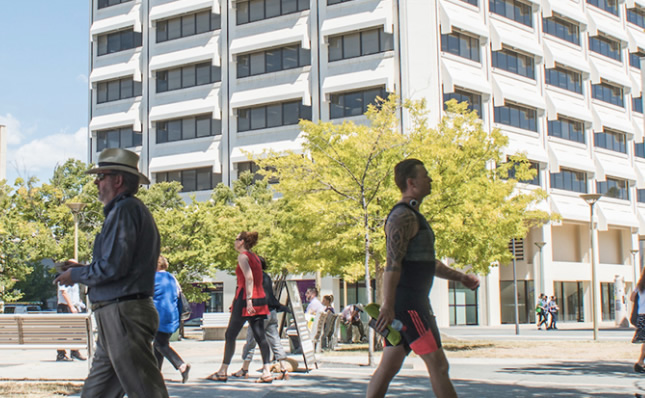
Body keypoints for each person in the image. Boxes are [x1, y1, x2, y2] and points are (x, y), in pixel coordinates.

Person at [54, 148, 168, 398]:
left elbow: (113, 267)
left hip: (122, 314)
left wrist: (75, 275)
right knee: (97, 393)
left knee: (145, 391)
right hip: (118, 314)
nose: (96, 181)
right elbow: (117, 265)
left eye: (101, 175)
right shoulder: (128, 210)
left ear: (117, 181)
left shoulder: (125, 210)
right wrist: (82, 270)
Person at [367, 158, 480, 398]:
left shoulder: (414, 216)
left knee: (389, 366)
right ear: (411, 183)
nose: (430, 179)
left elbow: (428, 263)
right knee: (438, 365)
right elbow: (392, 263)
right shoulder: (402, 217)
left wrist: (461, 278)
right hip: (410, 306)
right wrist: (387, 305)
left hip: (413, 303)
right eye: (425, 175)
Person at [207, 231, 274, 383]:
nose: (234, 242)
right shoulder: (255, 257)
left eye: (236, 239)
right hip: (259, 298)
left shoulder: (243, 257)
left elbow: (248, 277)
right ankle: (266, 371)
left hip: (245, 300)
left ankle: (223, 371)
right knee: (260, 336)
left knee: (230, 335)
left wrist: (248, 300)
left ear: (242, 241)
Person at [232, 256, 291, 381]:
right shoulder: (267, 277)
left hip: (259, 313)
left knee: (251, 341)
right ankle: (284, 369)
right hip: (272, 312)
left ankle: (245, 369)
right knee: (275, 340)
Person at [153, 256, 191, 383]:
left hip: (159, 316)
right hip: (172, 316)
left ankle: (181, 366)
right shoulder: (171, 277)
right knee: (159, 344)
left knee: (160, 344)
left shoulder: (153, 278)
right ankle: (156, 374)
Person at [55, 278, 87, 362]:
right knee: (64, 331)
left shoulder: (75, 279)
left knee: (76, 330)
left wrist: (79, 304)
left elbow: (74, 295)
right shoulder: (63, 278)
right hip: (65, 306)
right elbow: (64, 292)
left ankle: (74, 351)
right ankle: (61, 354)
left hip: (74, 306)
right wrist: (71, 306)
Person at [632, 270, 645, 373]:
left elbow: (632, 297)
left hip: (641, 315)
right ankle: (640, 362)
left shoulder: (640, 285)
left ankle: (640, 362)